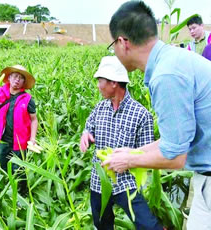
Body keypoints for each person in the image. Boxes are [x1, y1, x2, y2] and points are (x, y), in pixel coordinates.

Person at [103, 2, 211, 230]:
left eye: (113, 45)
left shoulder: (166, 75)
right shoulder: (171, 61)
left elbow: (176, 157)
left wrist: (128, 160)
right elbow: (176, 139)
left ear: (123, 42)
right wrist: (134, 152)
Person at [80, 56, 162, 230]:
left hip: (127, 182)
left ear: (113, 83)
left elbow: (147, 154)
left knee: (148, 225)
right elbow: (88, 127)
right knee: (102, 224)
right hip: (99, 180)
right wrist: (85, 135)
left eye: (100, 80)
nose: (97, 86)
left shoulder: (141, 114)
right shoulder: (99, 108)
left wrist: (127, 161)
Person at [0, 64, 38, 195]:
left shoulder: (28, 99)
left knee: (19, 169)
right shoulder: (0, 93)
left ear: (24, 82)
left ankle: (21, 193)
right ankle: (8, 189)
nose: (17, 80)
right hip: (4, 139)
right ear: (9, 78)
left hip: (21, 141)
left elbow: (34, 119)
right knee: (4, 165)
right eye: (14, 76)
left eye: (20, 78)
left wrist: (33, 139)